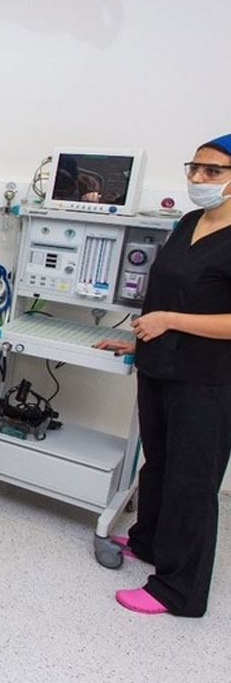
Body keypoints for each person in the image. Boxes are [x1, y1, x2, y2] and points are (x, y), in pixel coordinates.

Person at [95, 133, 231, 617]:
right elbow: (171, 295)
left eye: (212, 171)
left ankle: (178, 591)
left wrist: (170, 322)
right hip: (159, 365)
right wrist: (140, 340)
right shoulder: (190, 221)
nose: (198, 178)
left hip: (206, 379)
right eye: (194, 168)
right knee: (158, 464)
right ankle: (148, 542)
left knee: (192, 482)